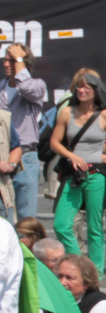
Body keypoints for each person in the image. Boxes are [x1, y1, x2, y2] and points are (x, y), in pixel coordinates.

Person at [49, 71, 106, 271]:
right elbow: (55, 142)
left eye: (86, 88)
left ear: (96, 92)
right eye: (79, 87)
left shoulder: (105, 115)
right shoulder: (67, 112)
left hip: (96, 175)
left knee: (94, 228)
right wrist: (71, 155)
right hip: (73, 175)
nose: (81, 90)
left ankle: (95, 273)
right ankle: (80, 264)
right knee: (61, 224)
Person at [3, 45, 47, 220]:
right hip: (1, 157)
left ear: (24, 63)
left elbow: (27, 88)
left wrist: (20, 60)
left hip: (25, 159)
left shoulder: (37, 85)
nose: (6, 64)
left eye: (12, 60)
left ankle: (25, 248)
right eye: (5, 59)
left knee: (26, 219)